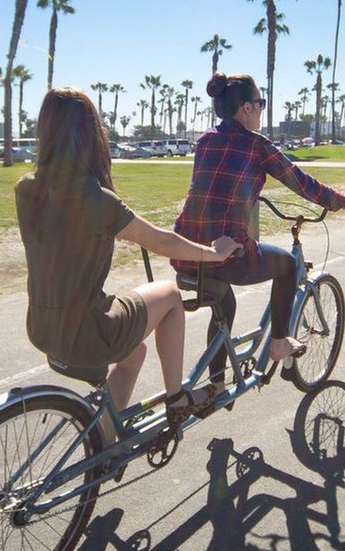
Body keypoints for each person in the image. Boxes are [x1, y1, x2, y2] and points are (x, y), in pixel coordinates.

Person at [15, 88, 239, 428]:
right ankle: (176, 398)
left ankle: (107, 440)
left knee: (134, 352)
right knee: (170, 296)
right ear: (91, 135)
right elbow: (160, 241)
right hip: (86, 332)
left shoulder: (26, 188)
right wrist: (213, 252)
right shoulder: (92, 197)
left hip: (43, 327)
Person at [173, 73, 345, 386]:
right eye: (260, 103)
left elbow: (217, 188)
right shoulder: (258, 146)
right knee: (286, 265)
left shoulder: (205, 140)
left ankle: (216, 382)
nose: (261, 109)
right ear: (246, 108)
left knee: (224, 304)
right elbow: (302, 182)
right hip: (226, 255)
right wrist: (340, 200)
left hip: (187, 253)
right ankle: (280, 342)